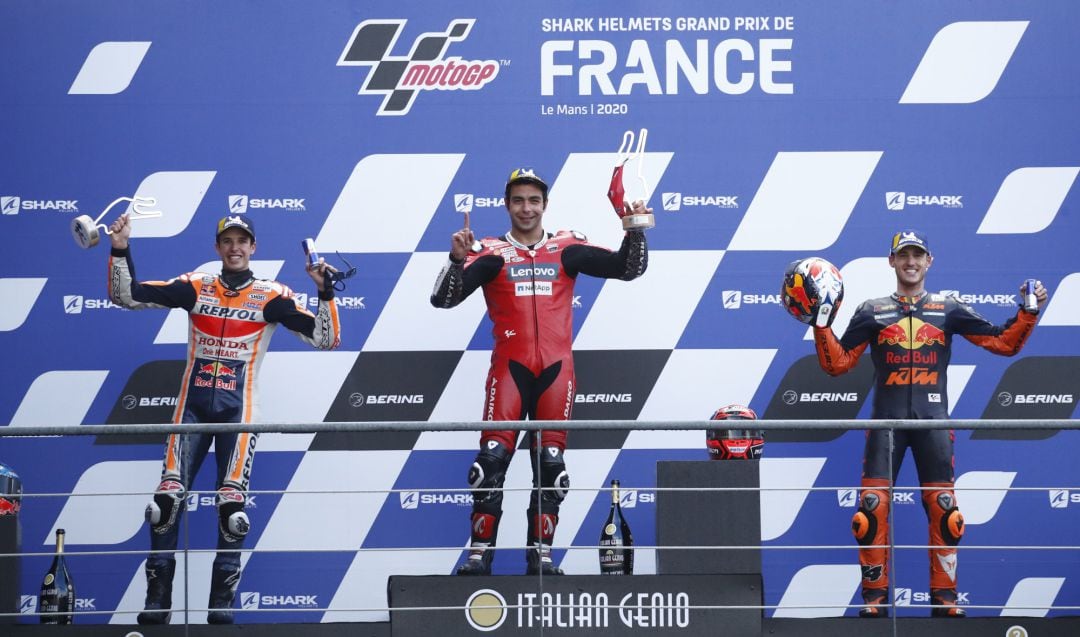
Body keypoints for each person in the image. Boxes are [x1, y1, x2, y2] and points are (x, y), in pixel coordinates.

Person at [107, 214, 341, 624]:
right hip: (190, 409)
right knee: (165, 504)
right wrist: (120, 247)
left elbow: (327, 339)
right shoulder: (197, 285)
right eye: (227, 241)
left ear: (254, 247)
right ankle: (157, 605)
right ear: (217, 248)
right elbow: (125, 296)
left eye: (242, 241)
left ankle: (221, 610)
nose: (235, 247)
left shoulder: (273, 295)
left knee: (232, 511)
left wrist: (325, 293)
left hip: (240, 411)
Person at [810, 229, 1046, 618]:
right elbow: (838, 364)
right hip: (885, 425)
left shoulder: (948, 307)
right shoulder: (871, 309)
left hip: (934, 423)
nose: (911, 262)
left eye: (917, 255)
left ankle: (945, 599)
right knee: (870, 510)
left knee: (945, 510)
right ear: (892, 262)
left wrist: (1028, 313)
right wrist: (822, 327)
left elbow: (1004, 344)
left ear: (929, 261)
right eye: (903, 256)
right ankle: (874, 601)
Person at [430, 168, 650, 575]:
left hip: (556, 371)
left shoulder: (568, 248)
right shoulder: (491, 252)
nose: (526, 208)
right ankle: (480, 555)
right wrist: (457, 259)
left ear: (545, 205)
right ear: (507, 205)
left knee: (551, 465)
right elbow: (442, 300)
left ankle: (542, 557)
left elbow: (628, 268)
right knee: (491, 461)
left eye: (533, 200)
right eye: (518, 200)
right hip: (510, 371)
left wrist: (634, 227)